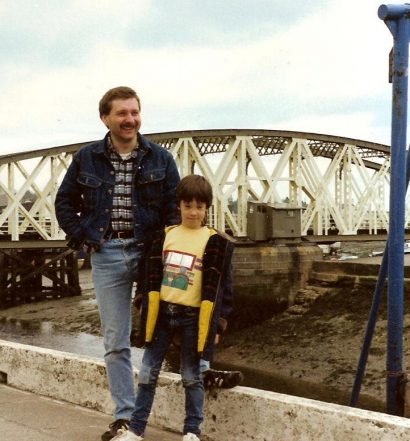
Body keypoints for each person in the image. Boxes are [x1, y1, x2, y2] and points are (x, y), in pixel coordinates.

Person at [54, 86, 180, 441]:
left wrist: (164, 247)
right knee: (115, 340)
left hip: (150, 253)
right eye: (122, 113)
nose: (130, 119)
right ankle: (124, 417)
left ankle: (180, 402)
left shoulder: (161, 158)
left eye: (135, 112)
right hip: (107, 253)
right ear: (105, 118)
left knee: (165, 328)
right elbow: (63, 202)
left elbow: (174, 205)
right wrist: (83, 235)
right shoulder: (86, 158)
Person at [113, 175, 236, 441]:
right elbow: (147, 276)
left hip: (194, 317)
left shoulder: (217, 242)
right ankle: (136, 429)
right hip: (162, 314)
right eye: (188, 205)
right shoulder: (164, 236)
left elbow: (224, 289)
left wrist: (220, 324)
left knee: (192, 376)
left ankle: (192, 431)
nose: (193, 212)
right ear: (178, 205)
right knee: (147, 373)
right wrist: (141, 302)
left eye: (200, 206)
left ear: (207, 209)